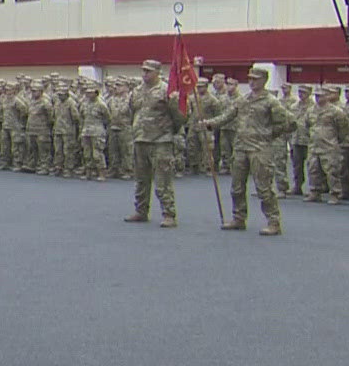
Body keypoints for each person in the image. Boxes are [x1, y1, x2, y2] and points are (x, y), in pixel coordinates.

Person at [200, 65, 294, 235]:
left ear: (264, 81)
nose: (251, 82)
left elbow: (290, 122)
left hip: (259, 149)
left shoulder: (270, 101)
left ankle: (273, 222)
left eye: (255, 79)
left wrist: (269, 134)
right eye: (249, 79)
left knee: (264, 188)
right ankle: (238, 218)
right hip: (241, 147)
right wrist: (209, 123)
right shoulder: (243, 100)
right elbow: (227, 116)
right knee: (237, 186)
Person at [125, 59, 185, 228]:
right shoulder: (136, 91)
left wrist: (168, 131)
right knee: (141, 179)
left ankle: (169, 213)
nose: (145, 74)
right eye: (143, 71)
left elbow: (179, 116)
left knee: (162, 180)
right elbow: (133, 112)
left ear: (158, 73)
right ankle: (141, 210)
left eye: (148, 71)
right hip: (141, 139)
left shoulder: (167, 90)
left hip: (160, 140)